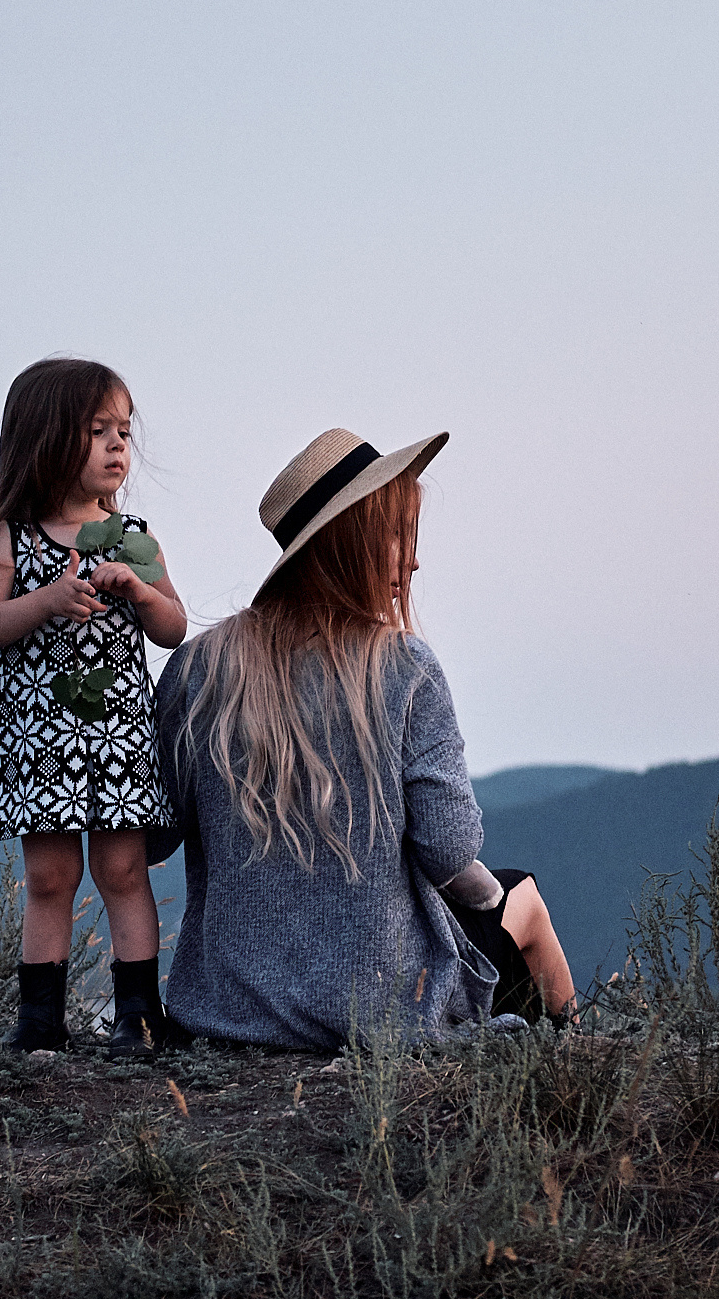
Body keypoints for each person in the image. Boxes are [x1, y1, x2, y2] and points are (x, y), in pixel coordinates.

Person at [151, 427, 576, 1049]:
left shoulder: (197, 668)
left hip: (229, 1010)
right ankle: (578, 1055)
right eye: (399, 534)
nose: (414, 560)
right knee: (524, 898)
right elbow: (449, 848)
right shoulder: (404, 667)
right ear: (351, 542)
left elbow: (156, 837)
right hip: (379, 1007)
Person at [0, 357, 188, 1058]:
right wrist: (48, 600)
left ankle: (139, 1015)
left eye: (124, 430)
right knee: (49, 876)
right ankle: (40, 1021)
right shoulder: (10, 538)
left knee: (123, 870)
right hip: (40, 736)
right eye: (98, 431)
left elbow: (174, 627)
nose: (119, 445)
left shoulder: (134, 537)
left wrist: (141, 591)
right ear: (46, 437)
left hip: (120, 735)